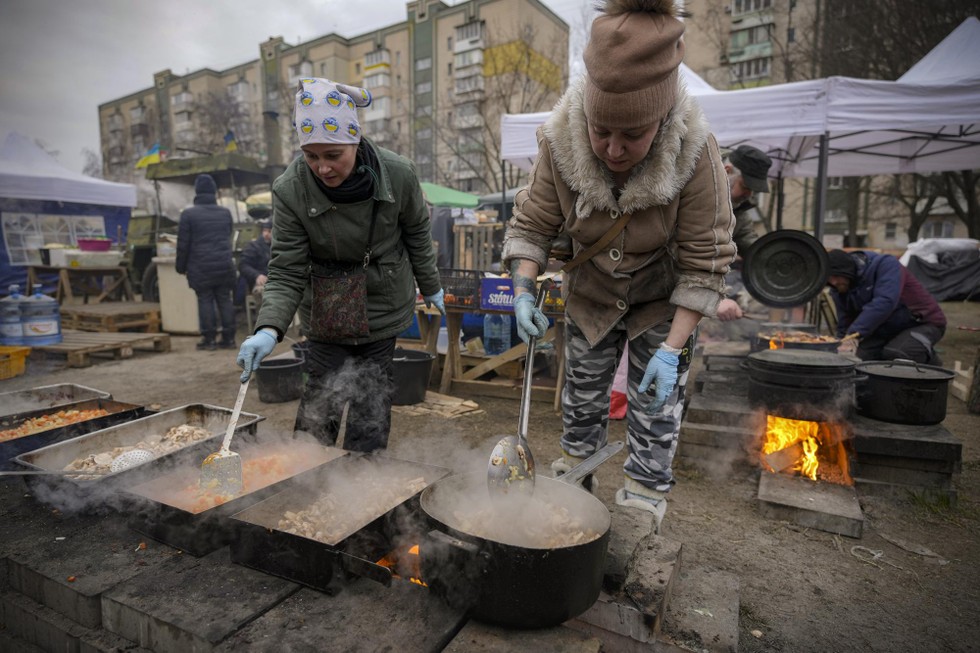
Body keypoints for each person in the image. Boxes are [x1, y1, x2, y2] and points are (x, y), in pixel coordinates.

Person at [502, 0, 736, 531]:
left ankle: (643, 501)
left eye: (632, 135)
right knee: (581, 400)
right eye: (600, 130)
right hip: (589, 297)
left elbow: (706, 262)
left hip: (661, 302)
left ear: (661, 118)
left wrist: (673, 351)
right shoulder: (557, 140)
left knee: (654, 410)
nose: (612, 148)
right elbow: (532, 226)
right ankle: (575, 480)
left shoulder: (696, 153)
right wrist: (521, 290)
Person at [235, 78, 444, 453]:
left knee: (371, 399)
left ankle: (361, 483)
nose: (322, 168)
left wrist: (430, 285)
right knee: (322, 398)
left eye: (333, 155)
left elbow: (416, 233)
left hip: (382, 295)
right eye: (311, 156)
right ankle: (308, 479)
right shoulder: (290, 189)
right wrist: (268, 328)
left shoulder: (399, 174)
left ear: (355, 140)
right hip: (326, 303)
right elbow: (286, 267)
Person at [826, 249, 946, 364]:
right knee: (856, 359)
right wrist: (840, 342)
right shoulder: (840, 286)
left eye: (836, 276)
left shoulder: (886, 264)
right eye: (829, 279)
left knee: (899, 353)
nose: (834, 282)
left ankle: (931, 366)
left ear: (847, 270)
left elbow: (885, 302)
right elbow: (844, 317)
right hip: (885, 328)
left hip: (922, 322)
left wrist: (854, 333)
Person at [175, 173, 237, 350]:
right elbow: (228, 235)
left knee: (205, 300)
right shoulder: (225, 213)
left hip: (201, 267)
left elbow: (183, 245)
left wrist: (180, 267)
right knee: (225, 299)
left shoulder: (188, 215)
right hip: (224, 265)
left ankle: (209, 339)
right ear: (214, 192)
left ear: (197, 192)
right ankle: (229, 338)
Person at [714, 145, 774, 323]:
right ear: (727, 171)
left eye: (753, 190)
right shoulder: (693, 196)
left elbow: (750, 244)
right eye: (746, 186)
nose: (749, 194)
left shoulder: (738, 209)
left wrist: (774, 262)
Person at [238, 220, 272, 297]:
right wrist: (256, 275)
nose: (266, 234)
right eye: (264, 231)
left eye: (269, 231)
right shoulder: (254, 247)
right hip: (262, 280)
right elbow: (243, 265)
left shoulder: (281, 246)